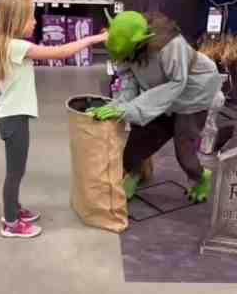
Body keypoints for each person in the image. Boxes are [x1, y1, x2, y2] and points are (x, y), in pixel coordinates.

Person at [0, 0, 108, 238]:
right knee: (15, 173)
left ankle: (14, 209)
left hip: (12, 115)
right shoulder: (16, 46)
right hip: (14, 117)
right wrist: (96, 38)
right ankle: (10, 223)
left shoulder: (4, 44)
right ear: (14, 21)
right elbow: (61, 52)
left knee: (16, 170)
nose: (35, 22)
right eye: (30, 18)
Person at [89, 11, 222, 202]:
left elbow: (177, 83)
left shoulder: (170, 45)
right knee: (137, 141)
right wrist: (120, 105)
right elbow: (128, 79)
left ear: (140, 41)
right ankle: (134, 175)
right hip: (160, 93)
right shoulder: (123, 42)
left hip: (193, 95)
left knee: (184, 151)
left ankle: (200, 177)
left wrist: (131, 108)